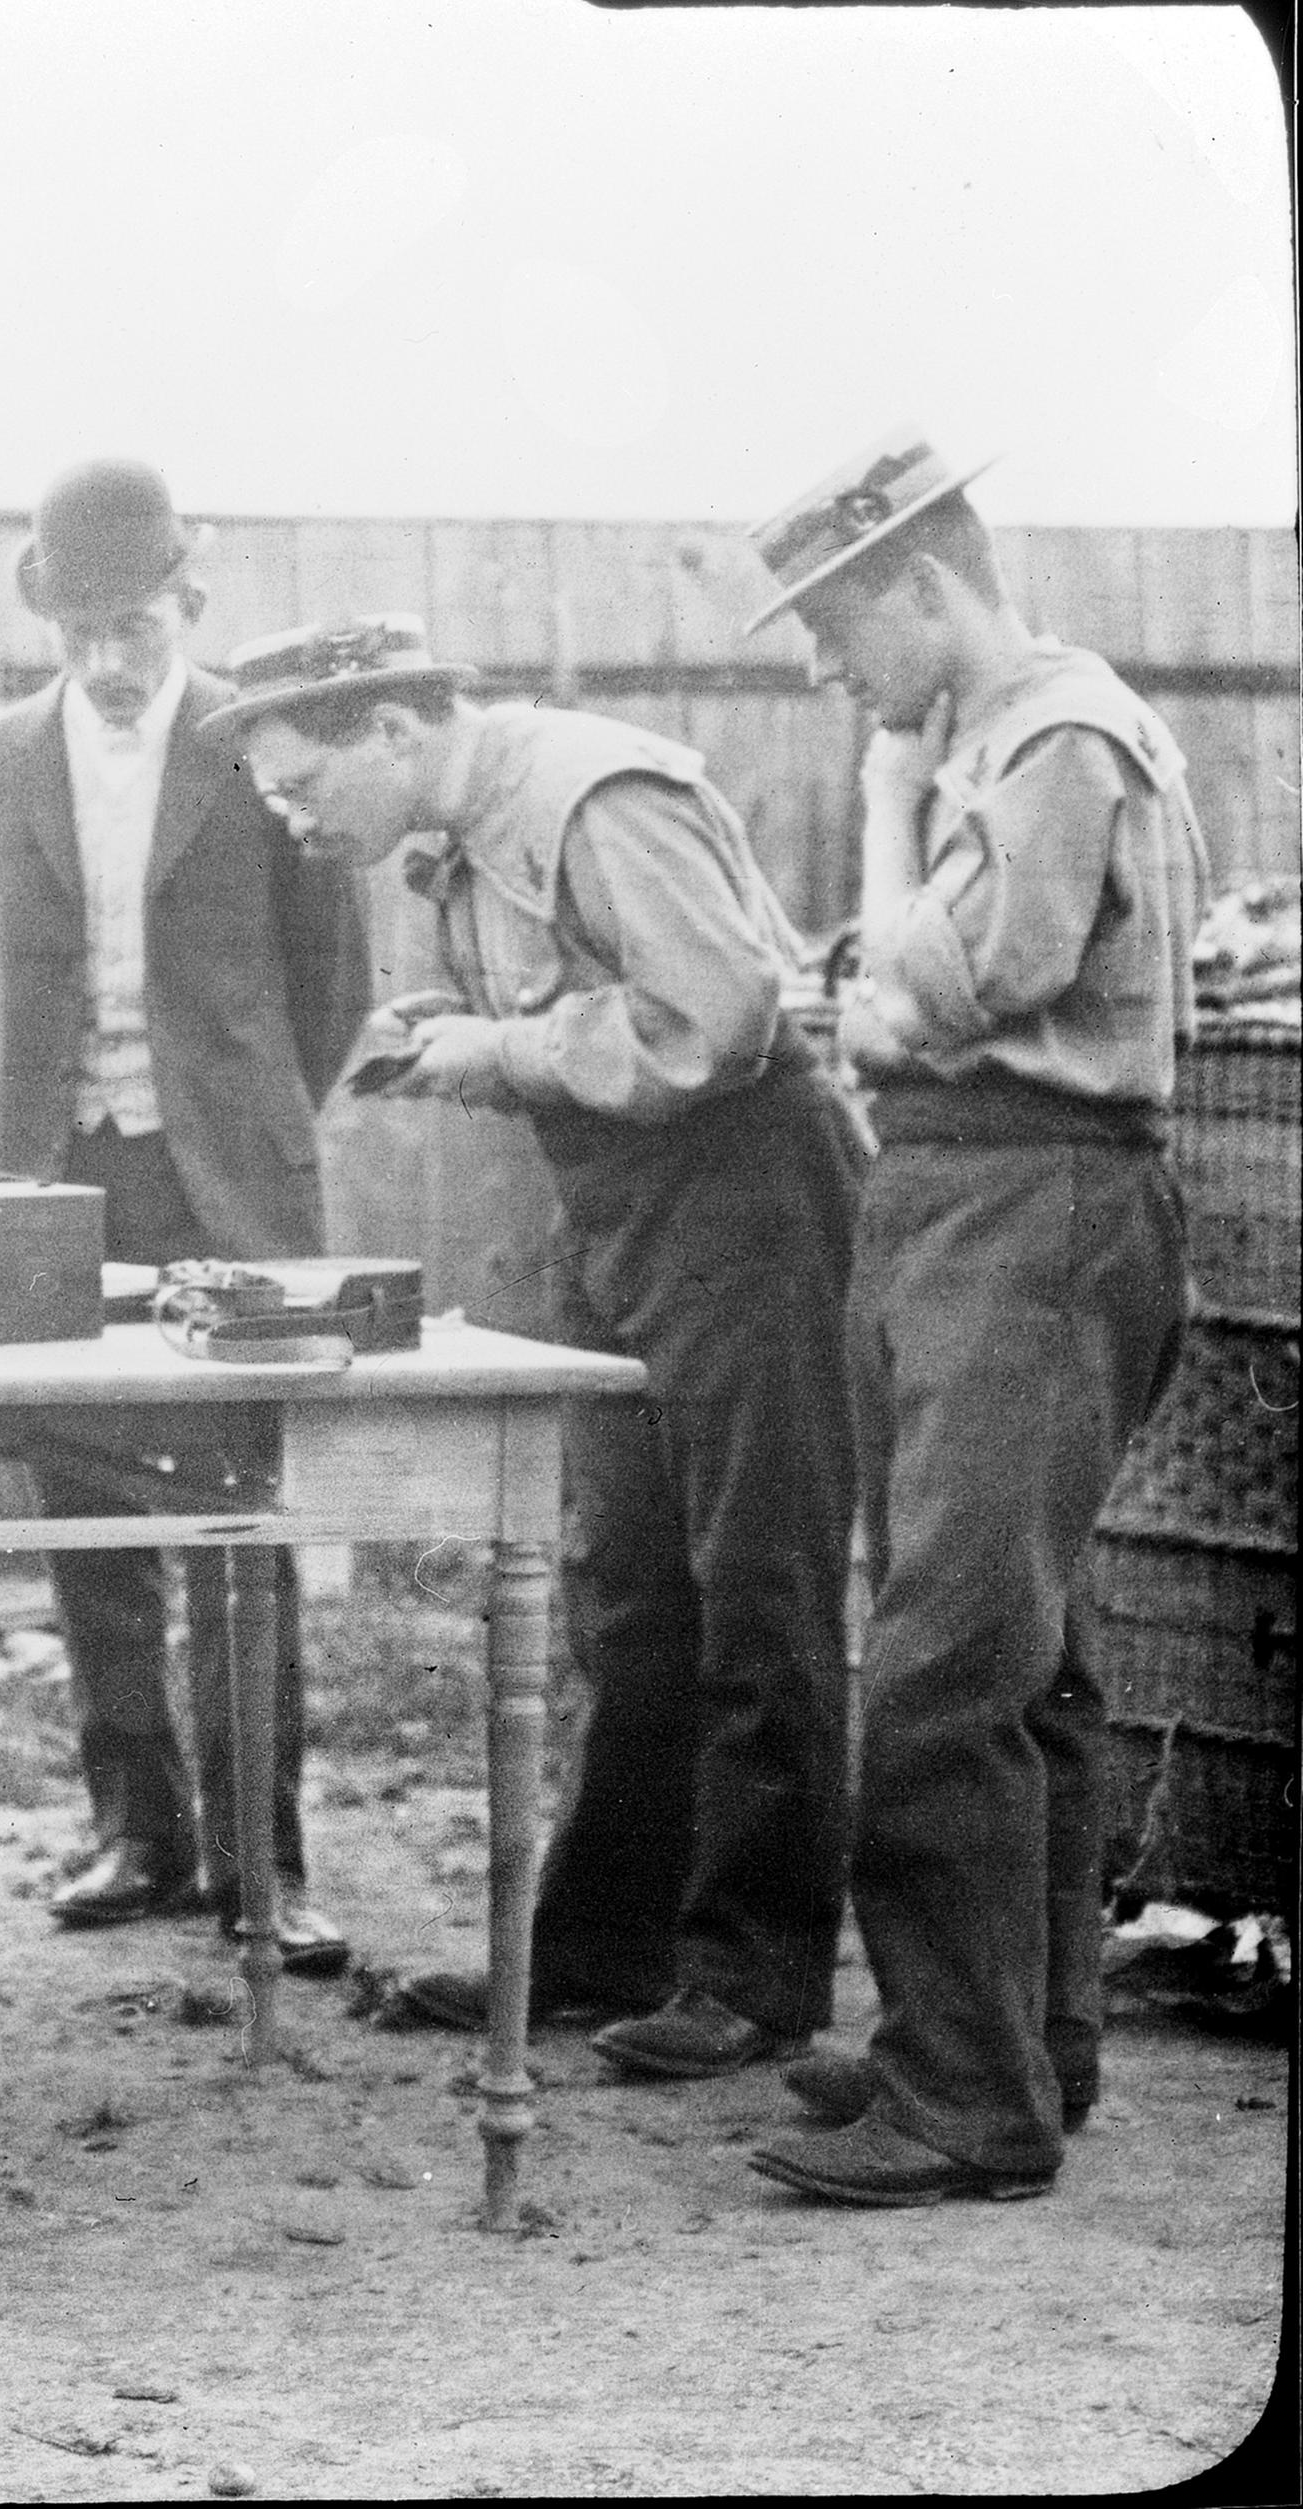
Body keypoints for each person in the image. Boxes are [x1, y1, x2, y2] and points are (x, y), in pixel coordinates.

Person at [204, 613, 865, 2080]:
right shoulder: (460, 830)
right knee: (626, 1587)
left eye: (302, 779)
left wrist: (498, 1052)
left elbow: (718, 1019)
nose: (288, 813)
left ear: (392, 726)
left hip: (746, 1189)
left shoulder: (589, 792)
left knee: (758, 1579)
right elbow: (589, 1001)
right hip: (621, 1201)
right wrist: (465, 1022)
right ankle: (605, 1944)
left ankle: (757, 1978)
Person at [739, 431, 1207, 2207]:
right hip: (975, 1199)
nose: (819, 663)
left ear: (927, 582)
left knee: (946, 1663)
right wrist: (890, 883)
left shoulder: (1053, 735)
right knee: (1024, 1656)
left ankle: (968, 2095)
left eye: (835, 625)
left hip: (1032, 1198)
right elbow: (903, 992)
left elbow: (943, 983)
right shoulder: (988, 738)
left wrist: (878, 864)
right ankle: (1018, 2040)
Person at [0, 458, 373, 1972]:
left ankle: (266, 1856)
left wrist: (237, 1124)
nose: (114, 664)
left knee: (243, 1509)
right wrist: (18, 1130)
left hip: (223, 1177)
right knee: (87, 1506)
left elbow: (331, 988)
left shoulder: (260, 745)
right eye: (86, 633)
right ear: (51, 618)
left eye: (141, 627)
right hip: (54, 1173)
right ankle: (136, 1827)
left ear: (190, 598)